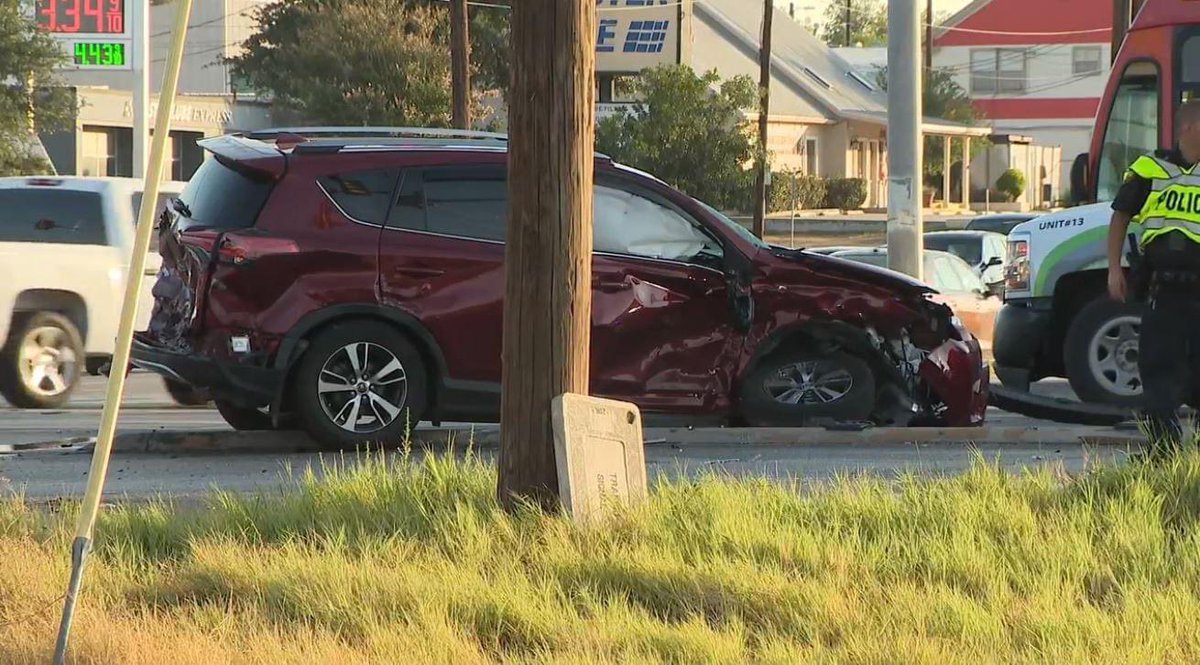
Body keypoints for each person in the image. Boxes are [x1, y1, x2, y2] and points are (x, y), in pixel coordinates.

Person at [1107, 100, 1200, 453]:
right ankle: (1164, 450)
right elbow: (1120, 217)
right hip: (1166, 291)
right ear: (1189, 128)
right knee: (1159, 370)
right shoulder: (1151, 167)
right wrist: (1114, 269)